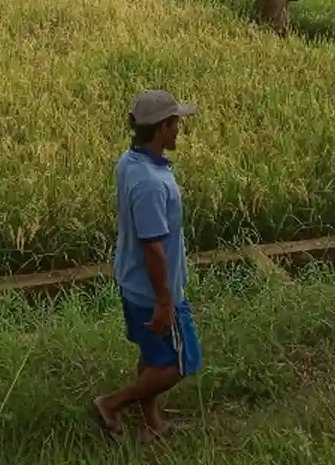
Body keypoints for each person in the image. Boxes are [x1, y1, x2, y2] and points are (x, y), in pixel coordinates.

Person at [91, 89, 202, 444]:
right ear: (162, 128)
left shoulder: (130, 161)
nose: (179, 130)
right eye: (175, 123)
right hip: (154, 288)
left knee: (152, 354)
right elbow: (153, 247)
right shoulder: (152, 184)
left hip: (133, 280)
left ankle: (151, 422)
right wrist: (166, 301)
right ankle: (112, 403)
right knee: (180, 364)